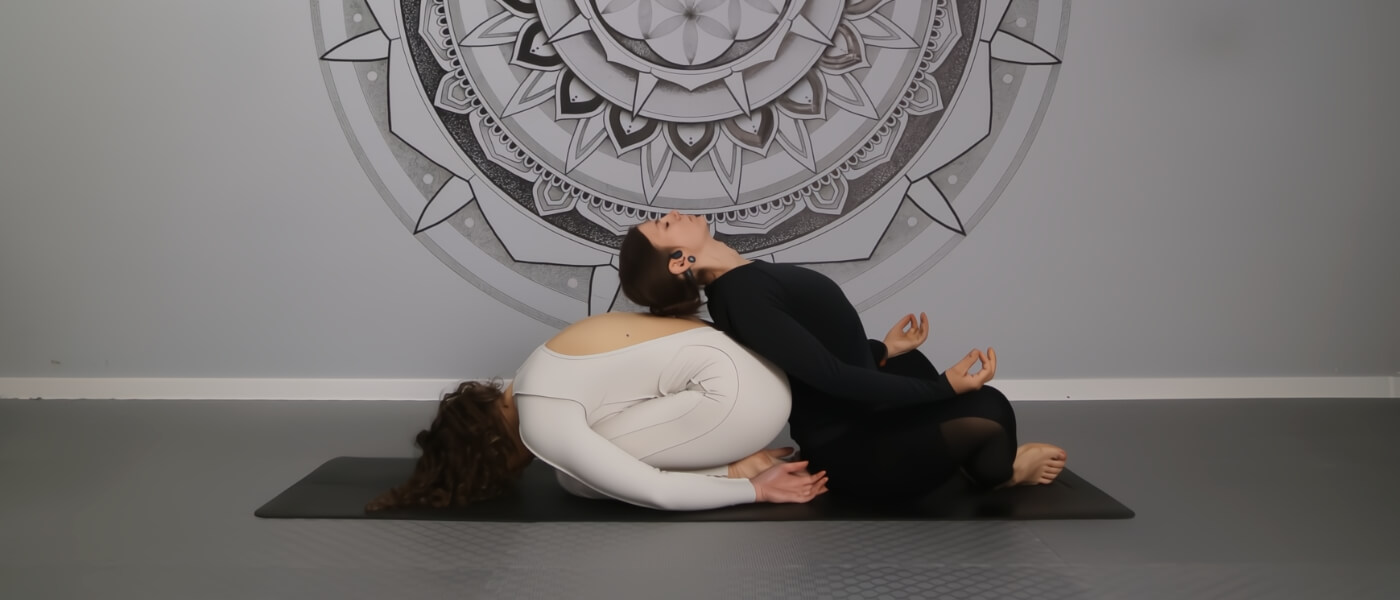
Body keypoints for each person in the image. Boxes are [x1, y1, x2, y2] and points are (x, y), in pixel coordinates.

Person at [618, 210, 1066, 505]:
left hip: (861, 416)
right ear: (678, 261)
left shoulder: (741, 282)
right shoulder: (742, 295)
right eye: (663, 226)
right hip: (852, 454)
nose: (671, 216)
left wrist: (885, 349)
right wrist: (945, 388)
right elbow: (828, 376)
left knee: (908, 364)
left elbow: (811, 351)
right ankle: (1001, 474)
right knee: (990, 409)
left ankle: (951, 457)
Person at [367, 311, 828, 512]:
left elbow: (655, 491)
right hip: (758, 372)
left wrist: (755, 493)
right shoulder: (534, 371)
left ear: (491, 445)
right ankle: (733, 463)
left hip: (746, 400)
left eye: (498, 473)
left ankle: (739, 471)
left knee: (576, 477)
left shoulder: (541, 417)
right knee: (589, 458)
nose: (515, 475)